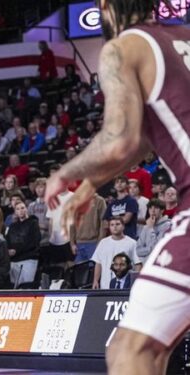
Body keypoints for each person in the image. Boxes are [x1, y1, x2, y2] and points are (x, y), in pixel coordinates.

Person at [45, 3, 190, 371]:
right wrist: (89, 185)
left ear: (105, 7)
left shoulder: (124, 46)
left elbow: (118, 139)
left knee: (130, 350)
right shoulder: (182, 39)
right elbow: (143, 139)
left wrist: (65, 173)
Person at [91, 218, 142, 290]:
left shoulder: (132, 243)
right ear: (109, 227)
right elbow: (98, 263)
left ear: (123, 226)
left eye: (117, 224)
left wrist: (136, 282)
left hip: (125, 287)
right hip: (105, 286)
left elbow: (138, 264)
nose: (115, 227)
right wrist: (95, 281)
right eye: (112, 225)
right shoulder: (103, 243)